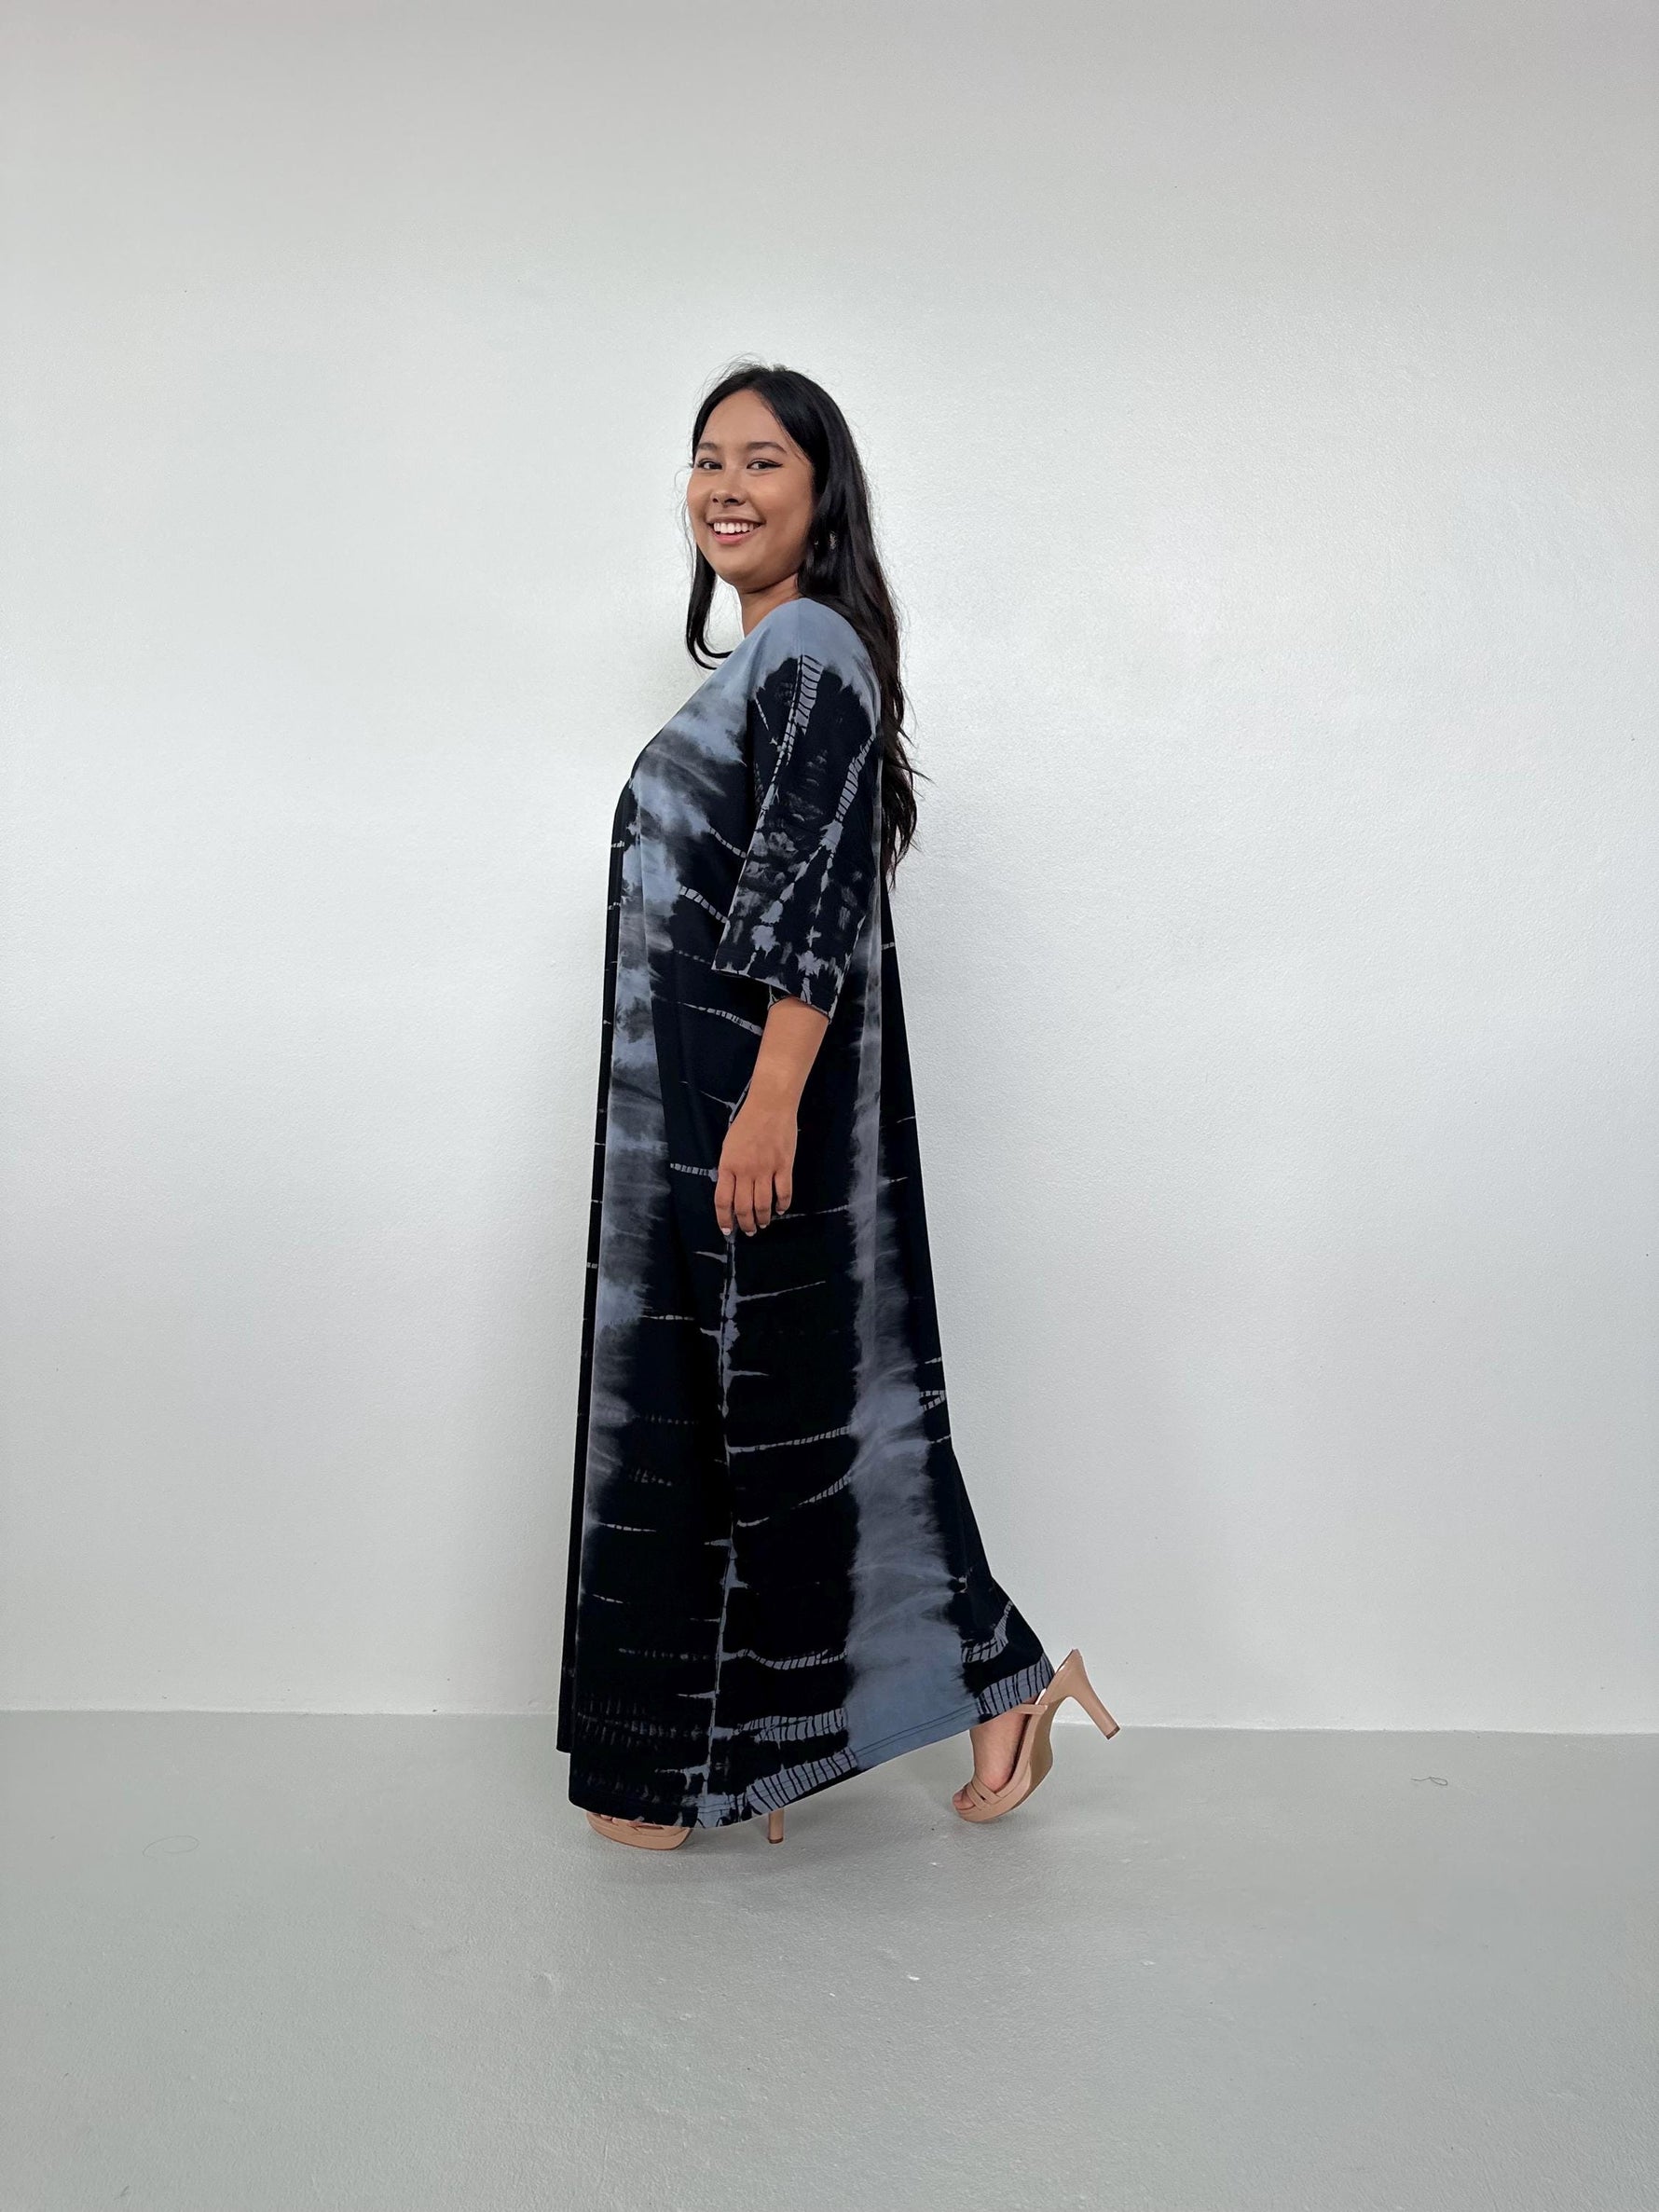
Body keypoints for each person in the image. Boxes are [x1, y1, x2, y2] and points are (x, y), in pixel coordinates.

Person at [555, 362, 1118, 1849]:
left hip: (744, 1115)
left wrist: (769, 1105)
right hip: (686, 1118)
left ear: (822, 495)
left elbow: (810, 892)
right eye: (707, 459)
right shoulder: (766, 666)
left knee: (792, 1414)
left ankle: (924, 1693)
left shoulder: (811, 646)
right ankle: (923, 1700)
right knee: (754, 1411)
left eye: (762, 461)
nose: (726, 487)